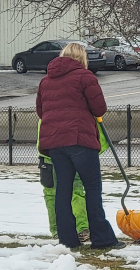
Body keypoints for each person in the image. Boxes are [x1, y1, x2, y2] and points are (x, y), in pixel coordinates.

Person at [36, 42, 123, 249]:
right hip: (80, 141)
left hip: (55, 144)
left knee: (63, 191)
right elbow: (99, 108)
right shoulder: (85, 77)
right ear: (82, 58)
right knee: (92, 189)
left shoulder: (45, 81)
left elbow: (41, 112)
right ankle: (102, 239)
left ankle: (67, 240)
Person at [37, 120, 90, 242]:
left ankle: (58, 230)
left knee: (52, 194)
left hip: (48, 154)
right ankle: (81, 229)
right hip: (70, 152)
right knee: (75, 191)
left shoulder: (46, 106)